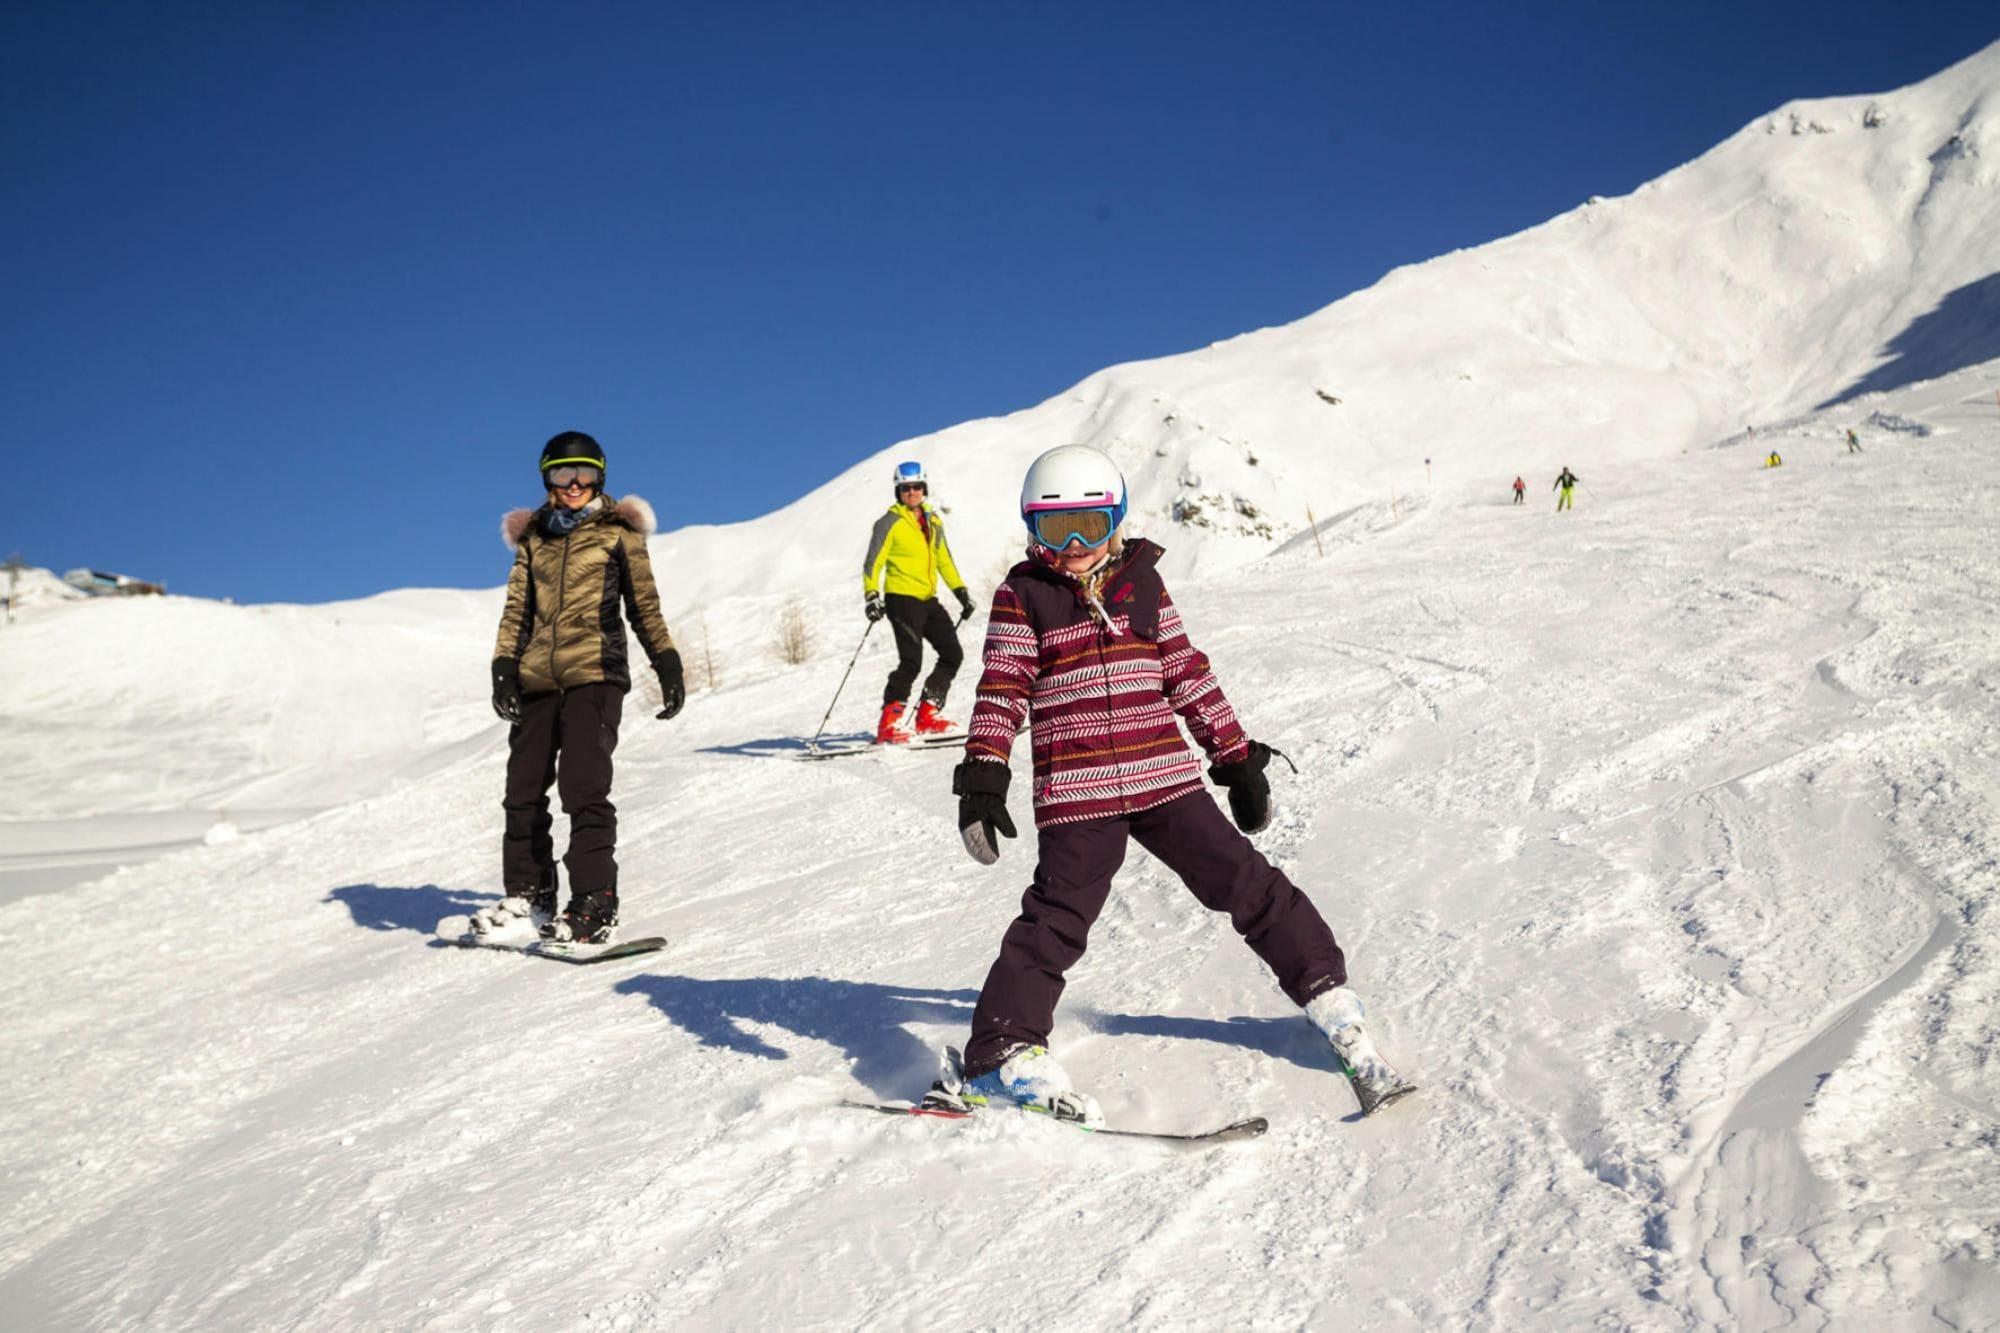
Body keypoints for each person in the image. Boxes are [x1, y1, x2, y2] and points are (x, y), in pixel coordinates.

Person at [932, 445, 1410, 1124]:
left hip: (1165, 780)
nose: (1074, 547)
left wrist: (1235, 759)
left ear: (1116, 521)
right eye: (1055, 531)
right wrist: (984, 772)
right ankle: (1001, 1049)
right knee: (1056, 919)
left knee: (1249, 883)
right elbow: (1002, 687)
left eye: (1090, 527)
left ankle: (1328, 994)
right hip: (1078, 792)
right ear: (1032, 530)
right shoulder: (1023, 596)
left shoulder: (1144, 587)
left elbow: (1186, 673)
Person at [475, 431, 683, 946]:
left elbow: (643, 606)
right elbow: (517, 610)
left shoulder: (618, 534)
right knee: (522, 791)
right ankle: (530, 897)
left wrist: (666, 661)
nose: (574, 484)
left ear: (600, 477)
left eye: (584, 474)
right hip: (537, 680)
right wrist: (504, 668)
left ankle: (594, 902)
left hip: (595, 674)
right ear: (547, 479)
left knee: (583, 787)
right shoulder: (534, 539)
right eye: (562, 474)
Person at [862, 460, 977, 743]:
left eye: (916, 487)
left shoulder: (933, 522)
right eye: (905, 488)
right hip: (901, 599)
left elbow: (944, 560)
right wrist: (872, 595)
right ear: (898, 491)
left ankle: (927, 715)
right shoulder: (889, 523)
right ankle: (888, 724)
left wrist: (961, 591)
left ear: (924, 488)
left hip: (928, 599)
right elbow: (873, 562)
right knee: (911, 661)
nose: (911, 492)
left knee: (952, 654)